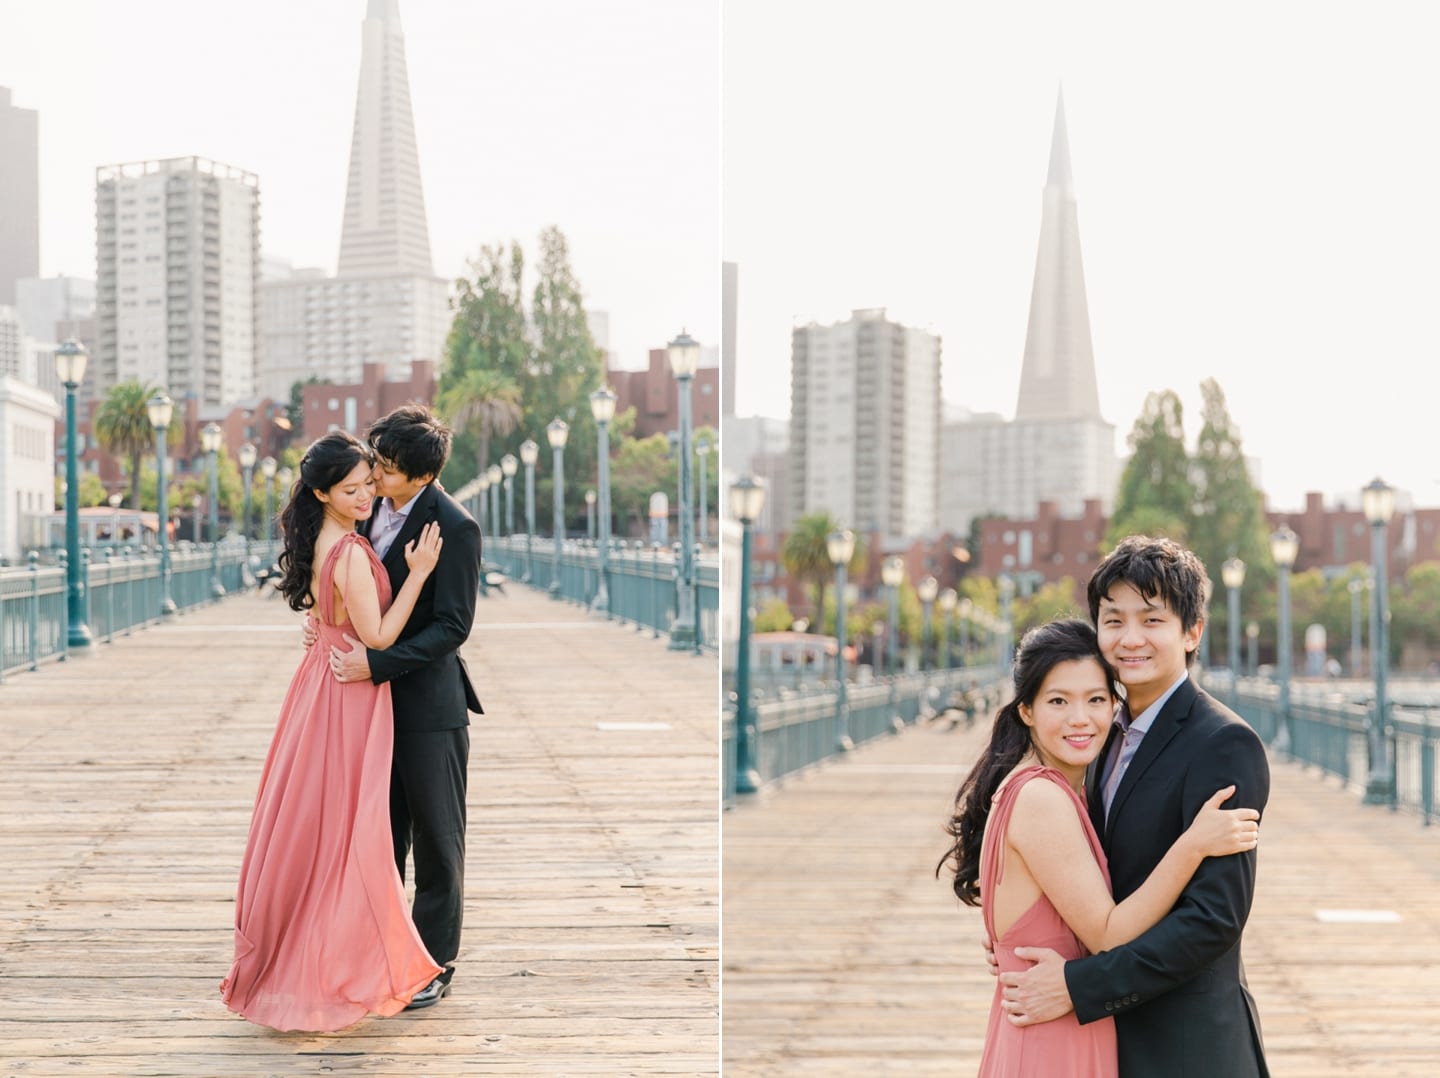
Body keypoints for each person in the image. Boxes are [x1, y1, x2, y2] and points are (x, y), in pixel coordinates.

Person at [996, 536, 1272, 1077]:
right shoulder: (1100, 733)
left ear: (1191, 632)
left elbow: (1213, 921)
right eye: (1113, 620)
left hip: (1187, 1046)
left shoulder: (1224, 744)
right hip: (1102, 1041)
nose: (1130, 639)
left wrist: (1080, 986)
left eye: (1151, 620)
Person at [938, 618, 1259, 1077]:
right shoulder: (1042, 799)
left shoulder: (1059, 786)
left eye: (1095, 699)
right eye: (1057, 701)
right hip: (1053, 1039)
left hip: (1059, 1027)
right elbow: (1108, 934)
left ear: (1115, 705)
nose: (1080, 719)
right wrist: (1191, 846)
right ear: (1026, 710)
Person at [222, 430, 445, 1030]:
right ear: (323, 492)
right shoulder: (347, 550)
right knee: (351, 829)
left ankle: (328, 952)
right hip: (348, 693)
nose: (368, 494)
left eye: (370, 483)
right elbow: (376, 637)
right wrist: (420, 572)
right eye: (352, 489)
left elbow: (330, 616)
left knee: (324, 825)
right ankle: (354, 962)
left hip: (321, 683)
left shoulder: (330, 538)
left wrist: (324, 628)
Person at [324, 404, 483, 1009]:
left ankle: (432, 968)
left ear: (422, 478)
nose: (374, 477)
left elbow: (453, 626)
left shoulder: (456, 527)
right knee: (379, 835)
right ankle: (378, 955)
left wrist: (379, 663)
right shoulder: (363, 509)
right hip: (366, 704)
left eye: (386, 470)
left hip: (427, 707)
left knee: (439, 844)